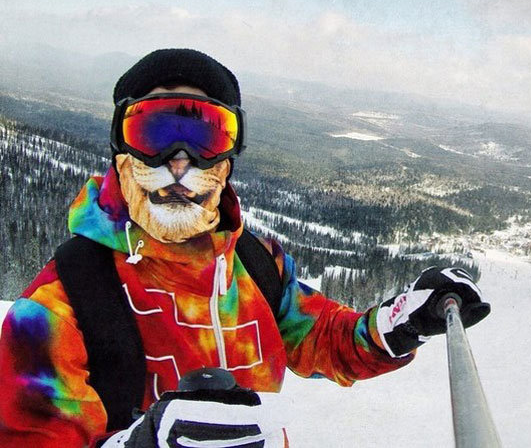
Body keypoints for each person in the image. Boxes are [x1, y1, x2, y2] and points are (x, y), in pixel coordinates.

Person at [0, 49, 490, 447]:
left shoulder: (254, 264)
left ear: (228, 161)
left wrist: (400, 323)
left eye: (207, 136)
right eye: (152, 131)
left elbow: (322, 338)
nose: (179, 161)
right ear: (121, 153)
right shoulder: (62, 301)